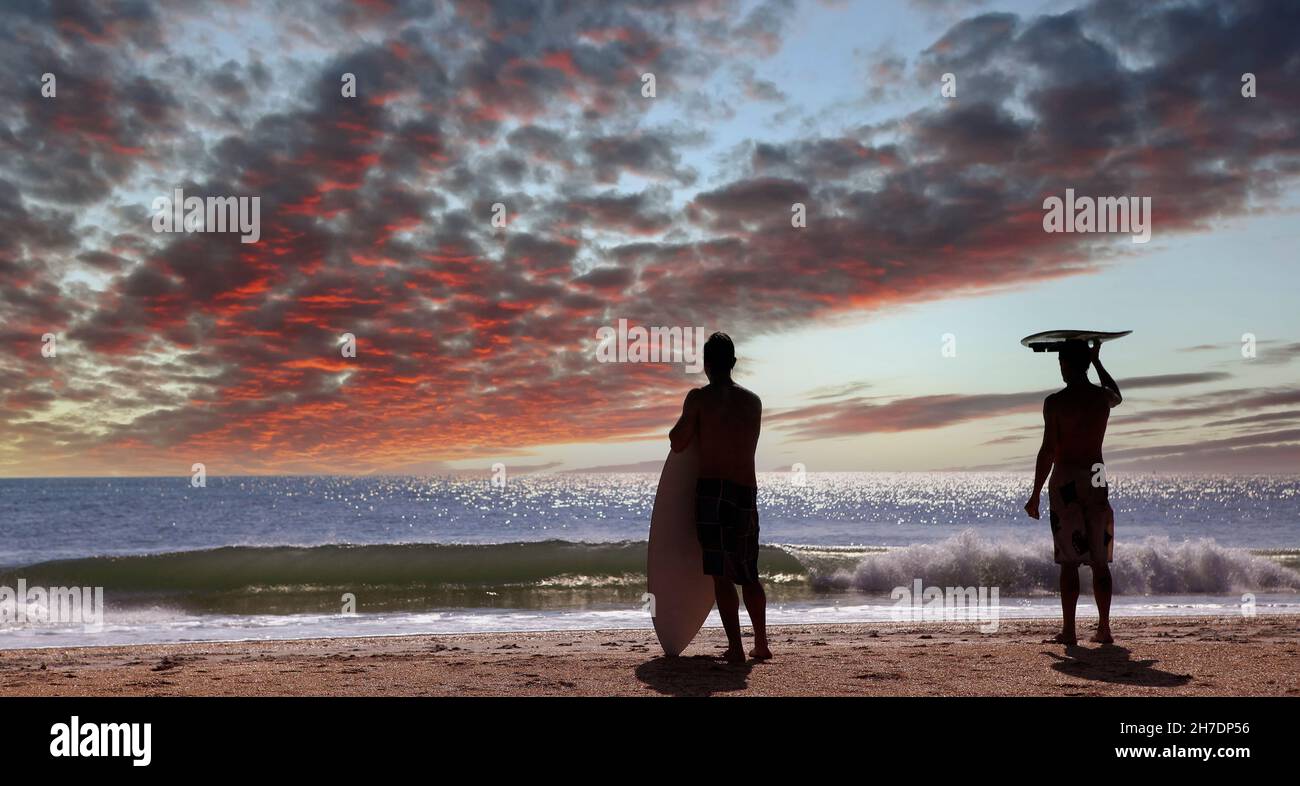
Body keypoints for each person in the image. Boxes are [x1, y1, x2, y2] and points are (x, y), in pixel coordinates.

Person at [669, 332, 769, 664]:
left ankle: (736, 649)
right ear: (734, 363)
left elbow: (678, 442)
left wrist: (689, 421)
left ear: (706, 364)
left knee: (721, 574)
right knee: (749, 572)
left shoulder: (699, 399)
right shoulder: (753, 402)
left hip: (713, 492)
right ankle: (761, 644)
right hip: (746, 491)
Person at [1024, 339, 1122, 645]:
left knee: (1069, 559)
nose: (1061, 368)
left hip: (1066, 477)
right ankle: (1104, 628)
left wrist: (1035, 492)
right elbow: (1117, 395)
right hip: (1095, 474)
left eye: (1061, 362)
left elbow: (1048, 450)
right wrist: (1097, 361)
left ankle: (1069, 631)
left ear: (1066, 364)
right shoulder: (1101, 398)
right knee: (1099, 559)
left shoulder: (1055, 403)